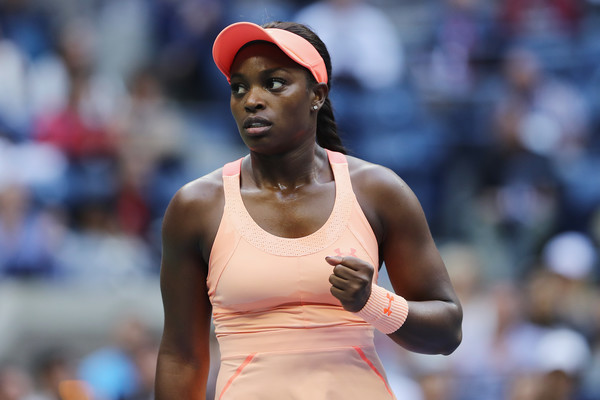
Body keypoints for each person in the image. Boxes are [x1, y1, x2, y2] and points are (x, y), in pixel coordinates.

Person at [155, 21, 462, 400]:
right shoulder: (196, 206)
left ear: (317, 94)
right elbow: (181, 357)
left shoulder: (380, 192)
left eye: (274, 83)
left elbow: (447, 332)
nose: (251, 99)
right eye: (239, 87)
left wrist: (374, 302)